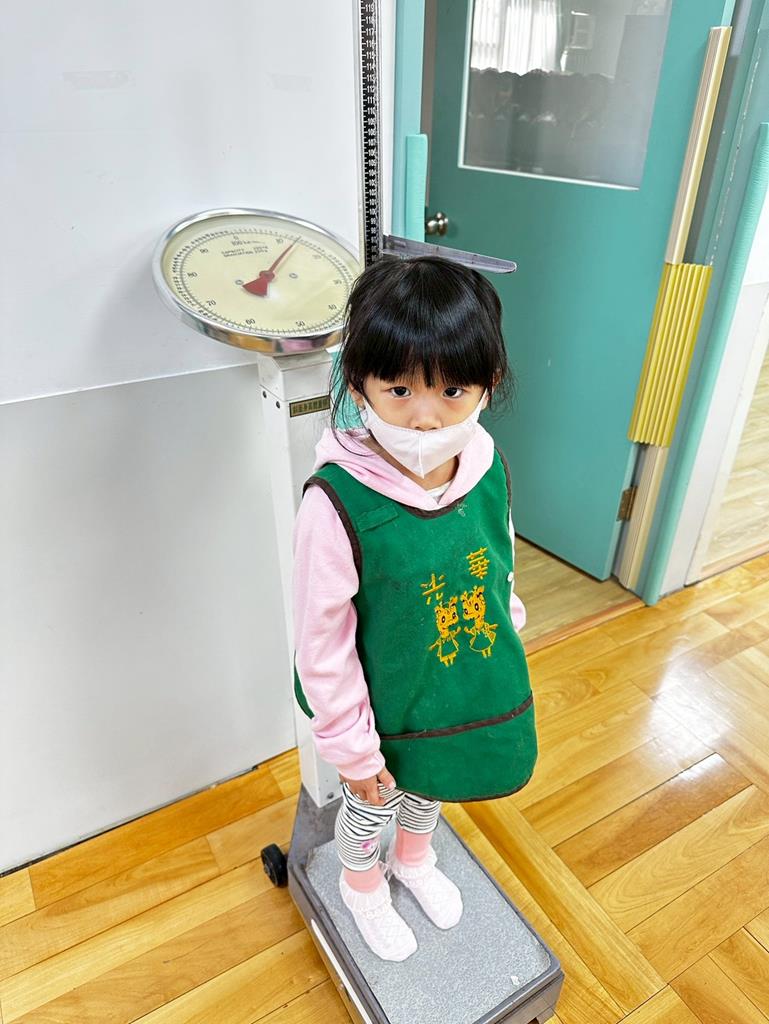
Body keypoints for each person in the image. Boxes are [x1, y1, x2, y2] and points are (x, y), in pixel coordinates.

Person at [292, 255, 537, 962]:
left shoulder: (486, 465)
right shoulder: (335, 504)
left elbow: (497, 559)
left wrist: (506, 632)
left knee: (432, 784)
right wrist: (351, 746)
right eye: (398, 390)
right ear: (358, 385)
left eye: (452, 390)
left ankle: (415, 859)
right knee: (371, 802)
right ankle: (361, 884)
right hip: (380, 701)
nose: (425, 418)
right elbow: (321, 642)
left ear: (489, 383)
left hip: (454, 678)